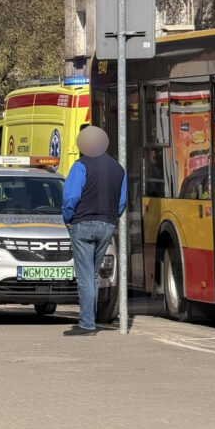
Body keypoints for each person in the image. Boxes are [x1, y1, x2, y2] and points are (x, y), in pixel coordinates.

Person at [61, 126, 126, 336]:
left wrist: (68, 218)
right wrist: (111, 218)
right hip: (107, 224)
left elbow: (71, 196)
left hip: (83, 224)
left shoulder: (81, 165)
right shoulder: (118, 169)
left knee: (85, 276)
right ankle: (91, 320)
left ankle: (87, 324)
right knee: (93, 274)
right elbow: (121, 202)